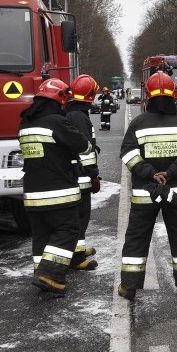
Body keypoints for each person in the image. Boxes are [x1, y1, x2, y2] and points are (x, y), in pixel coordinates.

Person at [118, 71, 177, 300]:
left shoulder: (138, 123)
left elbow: (127, 155)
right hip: (176, 193)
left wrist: (151, 174)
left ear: (148, 95)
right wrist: (171, 173)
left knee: (137, 237)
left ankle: (129, 286)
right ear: (173, 94)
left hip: (145, 193)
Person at [17, 78, 91, 295]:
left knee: (42, 235)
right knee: (67, 230)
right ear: (59, 100)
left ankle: (41, 272)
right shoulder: (57, 122)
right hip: (58, 191)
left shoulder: (25, 123)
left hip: (32, 192)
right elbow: (83, 146)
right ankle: (50, 274)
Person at [65, 74, 102, 270]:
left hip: (73, 174)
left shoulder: (72, 112)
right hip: (80, 177)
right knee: (80, 217)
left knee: (77, 216)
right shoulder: (79, 116)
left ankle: (77, 250)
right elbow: (85, 150)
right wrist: (93, 175)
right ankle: (76, 257)